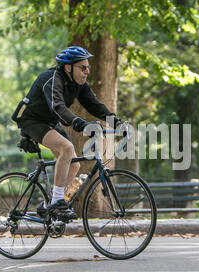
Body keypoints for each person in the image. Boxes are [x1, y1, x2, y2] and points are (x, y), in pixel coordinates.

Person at [11, 46, 121, 221]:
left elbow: (93, 104)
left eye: (88, 67)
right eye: (82, 67)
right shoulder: (52, 78)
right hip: (32, 120)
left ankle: (47, 207)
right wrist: (77, 121)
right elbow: (57, 106)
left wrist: (114, 120)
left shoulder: (79, 84)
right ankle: (57, 201)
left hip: (50, 122)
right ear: (68, 67)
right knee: (67, 148)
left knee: (74, 164)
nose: (87, 71)